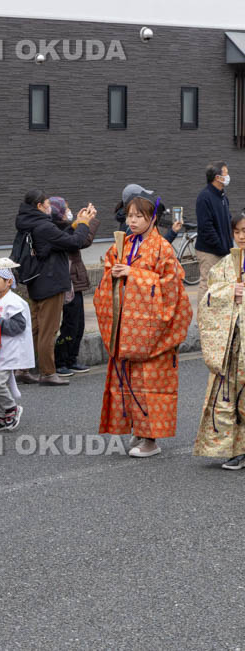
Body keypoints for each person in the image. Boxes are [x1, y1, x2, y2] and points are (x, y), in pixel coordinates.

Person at [94, 195, 191, 458]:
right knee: (129, 381)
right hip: (126, 330)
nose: (133, 221)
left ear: (153, 219)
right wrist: (112, 274)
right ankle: (138, 430)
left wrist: (133, 274)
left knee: (151, 383)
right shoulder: (120, 246)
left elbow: (171, 287)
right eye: (130, 216)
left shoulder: (163, 247)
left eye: (139, 216)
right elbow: (106, 279)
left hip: (153, 333)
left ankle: (151, 439)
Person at [13, 190, 96, 386]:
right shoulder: (43, 226)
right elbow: (74, 242)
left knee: (34, 329)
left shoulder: (28, 223)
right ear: (40, 206)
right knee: (48, 331)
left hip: (36, 280)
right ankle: (48, 373)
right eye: (47, 203)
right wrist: (84, 223)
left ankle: (23, 369)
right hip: (50, 281)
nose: (50, 207)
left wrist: (76, 224)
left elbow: (57, 239)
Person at [194, 211, 245, 469]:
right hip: (231, 342)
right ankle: (233, 449)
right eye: (237, 232)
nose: (241, 236)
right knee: (228, 396)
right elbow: (208, 299)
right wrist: (228, 293)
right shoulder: (225, 264)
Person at [0, 257, 34, 432]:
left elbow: (19, 326)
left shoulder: (15, 302)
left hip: (7, 350)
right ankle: (1, 416)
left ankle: (11, 408)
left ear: (9, 282)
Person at [53, 197, 101, 376]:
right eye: (65, 208)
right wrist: (84, 222)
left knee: (78, 323)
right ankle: (60, 361)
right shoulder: (56, 230)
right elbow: (80, 241)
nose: (69, 211)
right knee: (69, 323)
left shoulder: (66, 226)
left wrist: (86, 221)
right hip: (67, 282)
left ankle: (72, 359)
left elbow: (82, 239)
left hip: (76, 280)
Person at [195, 161, 233, 295]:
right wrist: (220, 246)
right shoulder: (205, 197)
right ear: (218, 177)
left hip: (223, 249)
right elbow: (206, 228)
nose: (228, 176)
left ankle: (216, 316)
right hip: (209, 252)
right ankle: (203, 316)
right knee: (207, 285)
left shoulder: (222, 196)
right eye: (226, 173)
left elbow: (227, 221)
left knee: (221, 286)